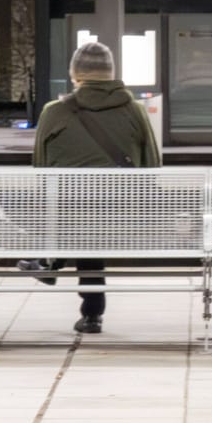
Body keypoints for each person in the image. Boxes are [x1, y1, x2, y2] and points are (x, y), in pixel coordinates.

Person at [26, 39, 160, 335]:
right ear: (111, 74)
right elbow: (152, 166)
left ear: (76, 74)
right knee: (94, 215)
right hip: (124, 215)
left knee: (78, 212)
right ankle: (87, 308)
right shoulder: (135, 111)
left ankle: (56, 269)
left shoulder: (53, 112)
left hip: (68, 218)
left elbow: (40, 171)